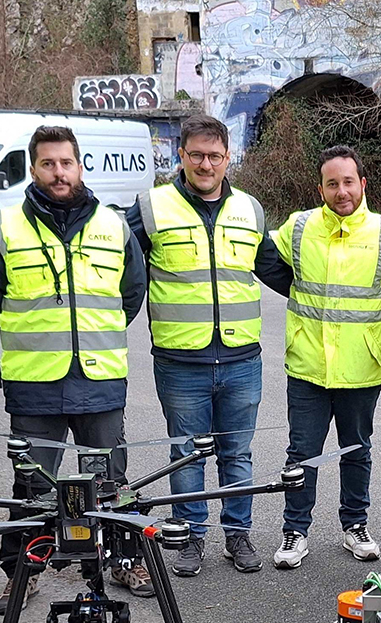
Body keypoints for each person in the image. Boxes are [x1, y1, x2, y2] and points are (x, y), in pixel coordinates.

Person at [0, 124, 147, 612]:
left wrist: (92, 331)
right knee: (31, 486)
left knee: (111, 480)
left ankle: (123, 559)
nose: (58, 172)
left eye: (65, 163)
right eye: (47, 164)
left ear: (80, 166)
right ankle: (23, 574)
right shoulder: (3, 227)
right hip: (35, 384)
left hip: (99, 379)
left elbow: (130, 294)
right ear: (33, 169)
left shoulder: (113, 226)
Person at [123, 114, 291, 579]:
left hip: (241, 359)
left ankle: (237, 533)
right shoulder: (152, 207)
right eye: (196, 154)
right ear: (181, 155)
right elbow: (122, 267)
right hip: (181, 361)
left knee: (237, 454)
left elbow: (274, 269)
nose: (205, 164)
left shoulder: (250, 210)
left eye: (214, 156)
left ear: (227, 158)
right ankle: (192, 536)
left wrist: (325, 292)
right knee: (187, 452)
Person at [268, 145, 381, 569]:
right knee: (302, 453)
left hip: (361, 368)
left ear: (362, 184)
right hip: (308, 367)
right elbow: (266, 261)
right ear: (321, 188)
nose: (341, 191)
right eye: (332, 183)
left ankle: (355, 524)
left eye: (348, 182)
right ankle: (295, 531)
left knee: (356, 451)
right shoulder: (298, 228)